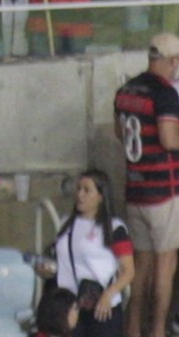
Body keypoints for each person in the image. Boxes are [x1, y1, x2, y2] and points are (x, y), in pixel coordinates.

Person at [116, 35, 179, 337]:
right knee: (165, 265)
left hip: (135, 189)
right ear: (171, 60)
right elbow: (168, 139)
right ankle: (156, 332)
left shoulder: (126, 89)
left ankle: (132, 329)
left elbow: (120, 132)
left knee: (140, 267)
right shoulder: (165, 94)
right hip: (163, 193)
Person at [43, 170, 132, 337]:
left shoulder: (114, 228)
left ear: (101, 196)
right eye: (78, 189)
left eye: (87, 190)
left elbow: (128, 271)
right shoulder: (66, 223)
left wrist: (109, 294)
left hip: (102, 306)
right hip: (70, 305)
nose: (80, 194)